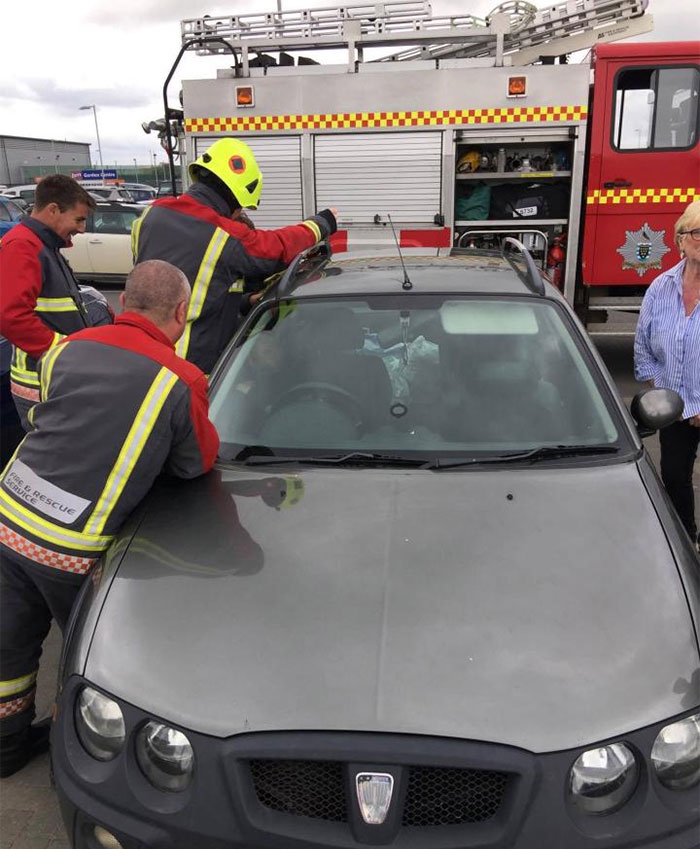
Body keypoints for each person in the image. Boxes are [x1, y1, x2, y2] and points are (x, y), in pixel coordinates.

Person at [0, 260, 220, 777]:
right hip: (69, 546)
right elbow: (194, 464)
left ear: (124, 302)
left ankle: (6, 748)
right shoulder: (179, 379)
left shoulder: (66, 350)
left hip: (8, 514)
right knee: (92, 659)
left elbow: (55, 417)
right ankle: (74, 766)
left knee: (9, 643)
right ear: (183, 312)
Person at [131, 137, 338, 374]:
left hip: (140, 357)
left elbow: (198, 284)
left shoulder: (150, 216)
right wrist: (322, 223)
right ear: (236, 198)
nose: (239, 213)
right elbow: (276, 248)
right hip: (187, 368)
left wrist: (243, 302)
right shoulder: (220, 233)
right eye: (242, 206)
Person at [0, 175, 100, 430]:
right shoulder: (23, 245)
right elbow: (10, 316)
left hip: (52, 377)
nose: (82, 229)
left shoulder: (43, 246)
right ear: (53, 210)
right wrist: (64, 351)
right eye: (78, 219)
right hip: (40, 383)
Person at [634, 200, 700, 550]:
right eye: (697, 232)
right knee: (674, 479)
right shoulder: (660, 287)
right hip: (675, 407)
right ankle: (686, 545)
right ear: (680, 239)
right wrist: (661, 392)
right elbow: (643, 345)